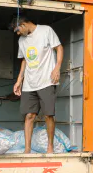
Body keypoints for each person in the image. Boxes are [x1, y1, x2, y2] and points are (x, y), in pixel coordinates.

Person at [11, 15, 64, 153]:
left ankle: (50, 147)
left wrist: (57, 67)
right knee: (29, 116)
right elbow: (24, 60)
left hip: (47, 80)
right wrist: (19, 80)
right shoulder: (22, 41)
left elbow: (59, 48)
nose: (17, 34)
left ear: (23, 24)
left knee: (48, 115)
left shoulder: (46, 31)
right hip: (29, 83)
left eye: (17, 30)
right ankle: (27, 149)